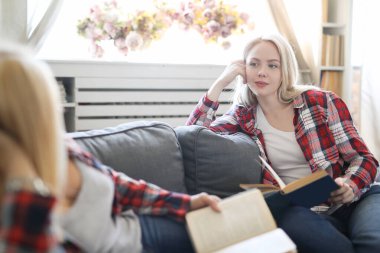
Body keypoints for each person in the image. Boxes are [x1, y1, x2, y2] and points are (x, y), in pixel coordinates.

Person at [0, 45, 221, 252]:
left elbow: (117, 185)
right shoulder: (19, 204)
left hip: (135, 231)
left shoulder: (60, 147)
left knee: (227, 226)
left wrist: (186, 203)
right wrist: (23, 179)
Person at [187, 33, 380, 253]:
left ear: (284, 71)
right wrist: (220, 83)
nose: (262, 72)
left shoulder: (321, 102)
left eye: (272, 65)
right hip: (307, 209)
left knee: (373, 242)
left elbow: (363, 157)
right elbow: (192, 135)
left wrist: (350, 184)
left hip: (358, 199)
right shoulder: (243, 116)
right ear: (243, 69)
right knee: (292, 223)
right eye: (254, 64)